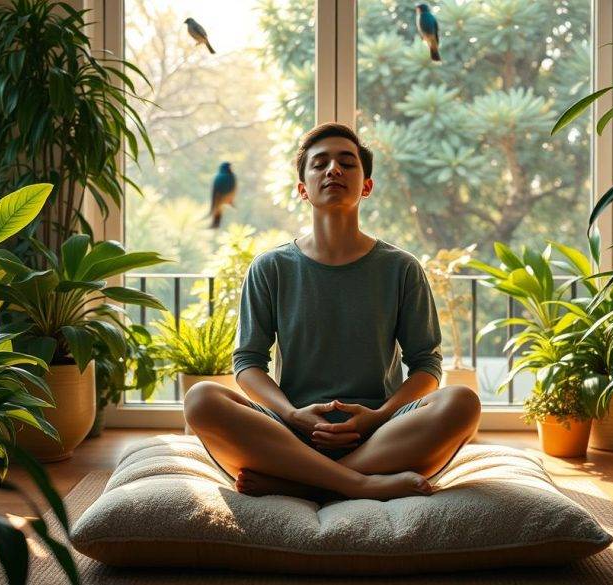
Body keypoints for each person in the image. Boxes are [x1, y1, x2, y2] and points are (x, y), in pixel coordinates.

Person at [184, 123, 481, 501]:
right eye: (320, 163)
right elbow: (248, 363)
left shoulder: (401, 268)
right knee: (201, 398)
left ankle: (304, 484)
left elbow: (426, 366)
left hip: (380, 434)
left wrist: (379, 416)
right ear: (303, 190)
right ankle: (358, 484)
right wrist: (292, 415)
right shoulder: (270, 268)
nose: (333, 170)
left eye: (347, 163)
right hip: (291, 434)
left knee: (462, 401)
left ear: (367, 186)